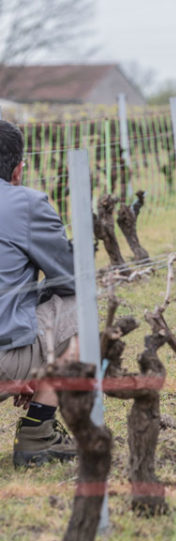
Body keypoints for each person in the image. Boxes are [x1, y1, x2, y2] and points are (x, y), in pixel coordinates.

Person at [0, 120, 78, 467]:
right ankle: (37, 433)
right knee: (83, 313)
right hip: (4, 359)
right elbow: (71, 280)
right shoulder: (26, 205)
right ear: (18, 169)